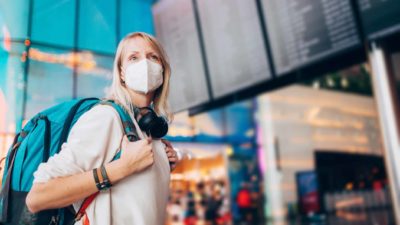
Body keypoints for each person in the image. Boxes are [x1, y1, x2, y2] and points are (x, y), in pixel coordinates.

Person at [25, 32, 179, 225]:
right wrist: (122, 168)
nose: (145, 64)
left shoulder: (151, 131)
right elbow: (37, 197)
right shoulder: (107, 117)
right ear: (122, 73)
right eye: (134, 57)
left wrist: (163, 165)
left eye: (152, 57)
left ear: (163, 69)